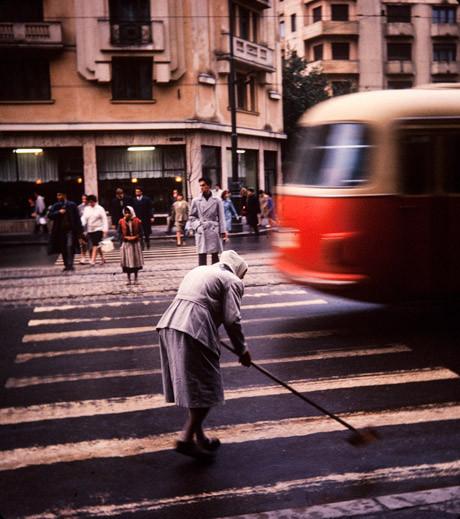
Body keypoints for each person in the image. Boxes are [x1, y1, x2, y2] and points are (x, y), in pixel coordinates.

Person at [157, 250, 252, 460]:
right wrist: (242, 350)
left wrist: (210, 330)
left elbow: (201, 303)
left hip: (172, 323)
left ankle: (199, 438)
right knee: (207, 387)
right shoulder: (232, 280)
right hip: (193, 329)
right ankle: (185, 438)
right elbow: (232, 320)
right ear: (238, 270)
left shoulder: (200, 270)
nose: (242, 279)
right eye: (243, 274)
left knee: (196, 387)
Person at [189, 177, 227, 266]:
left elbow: (221, 216)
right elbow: (191, 216)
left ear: (209, 186)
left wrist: (222, 231)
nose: (201, 187)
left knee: (215, 256)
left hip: (213, 229)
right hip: (202, 229)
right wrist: (198, 226)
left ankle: (216, 275)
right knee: (202, 255)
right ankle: (202, 276)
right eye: (200, 186)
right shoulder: (196, 201)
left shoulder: (217, 200)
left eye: (203, 185)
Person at [48, 191, 83, 272]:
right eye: (57, 195)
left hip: (70, 230)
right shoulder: (56, 205)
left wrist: (80, 232)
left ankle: (70, 264)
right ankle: (67, 265)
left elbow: (77, 218)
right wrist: (58, 212)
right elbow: (50, 215)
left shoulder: (72, 205)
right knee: (63, 248)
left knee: (70, 246)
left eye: (59, 195)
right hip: (60, 231)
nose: (58, 197)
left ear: (64, 195)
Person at [81, 194, 109, 266]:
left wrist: (105, 229)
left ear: (95, 201)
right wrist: (81, 225)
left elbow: (104, 219)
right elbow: (84, 218)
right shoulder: (87, 209)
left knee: (95, 244)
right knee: (98, 244)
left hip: (99, 228)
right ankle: (103, 258)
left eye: (92, 202)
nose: (91, 203)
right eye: (90, 202)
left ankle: (93, 260)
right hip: (90, 229)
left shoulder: (100, 208)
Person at [119, 206, 144, 285]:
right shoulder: (121, 221)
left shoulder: (137, 221)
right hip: (126, 244)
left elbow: (141, 232)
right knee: (127, 263)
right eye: (125, 212)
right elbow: (119, 233)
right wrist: (125, 237)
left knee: (135, 262)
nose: (127, 214)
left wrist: (136, 237)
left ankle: (136, 279)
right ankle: (129, 279)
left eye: (128, 212)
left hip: (135, 244)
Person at [77, 194, 89, 264]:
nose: (84, 200)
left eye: (85, 199)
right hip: (82, 228)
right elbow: (78, 218)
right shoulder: (79, 207)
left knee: (94, 244)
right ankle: (83, 257)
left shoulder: (90, 206)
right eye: (83, 199)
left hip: (90, 227)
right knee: (83, 244)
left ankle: (102, 257)